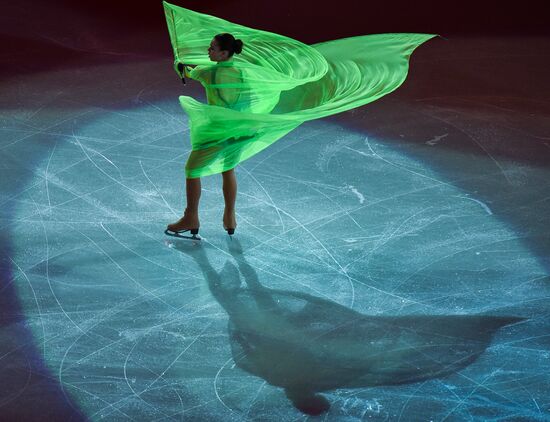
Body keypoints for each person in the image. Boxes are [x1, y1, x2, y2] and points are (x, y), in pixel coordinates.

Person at [166, 33, 244, 238]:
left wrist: (180, 67)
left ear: (224, 53)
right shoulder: (240, 73)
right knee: (228, 169)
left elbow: (190, 72)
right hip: (237, 129)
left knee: (192, 170)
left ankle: (190, 217)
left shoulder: (209, 73)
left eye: (211, 48)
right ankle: (230, 218)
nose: (207, 51)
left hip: (217, 131)